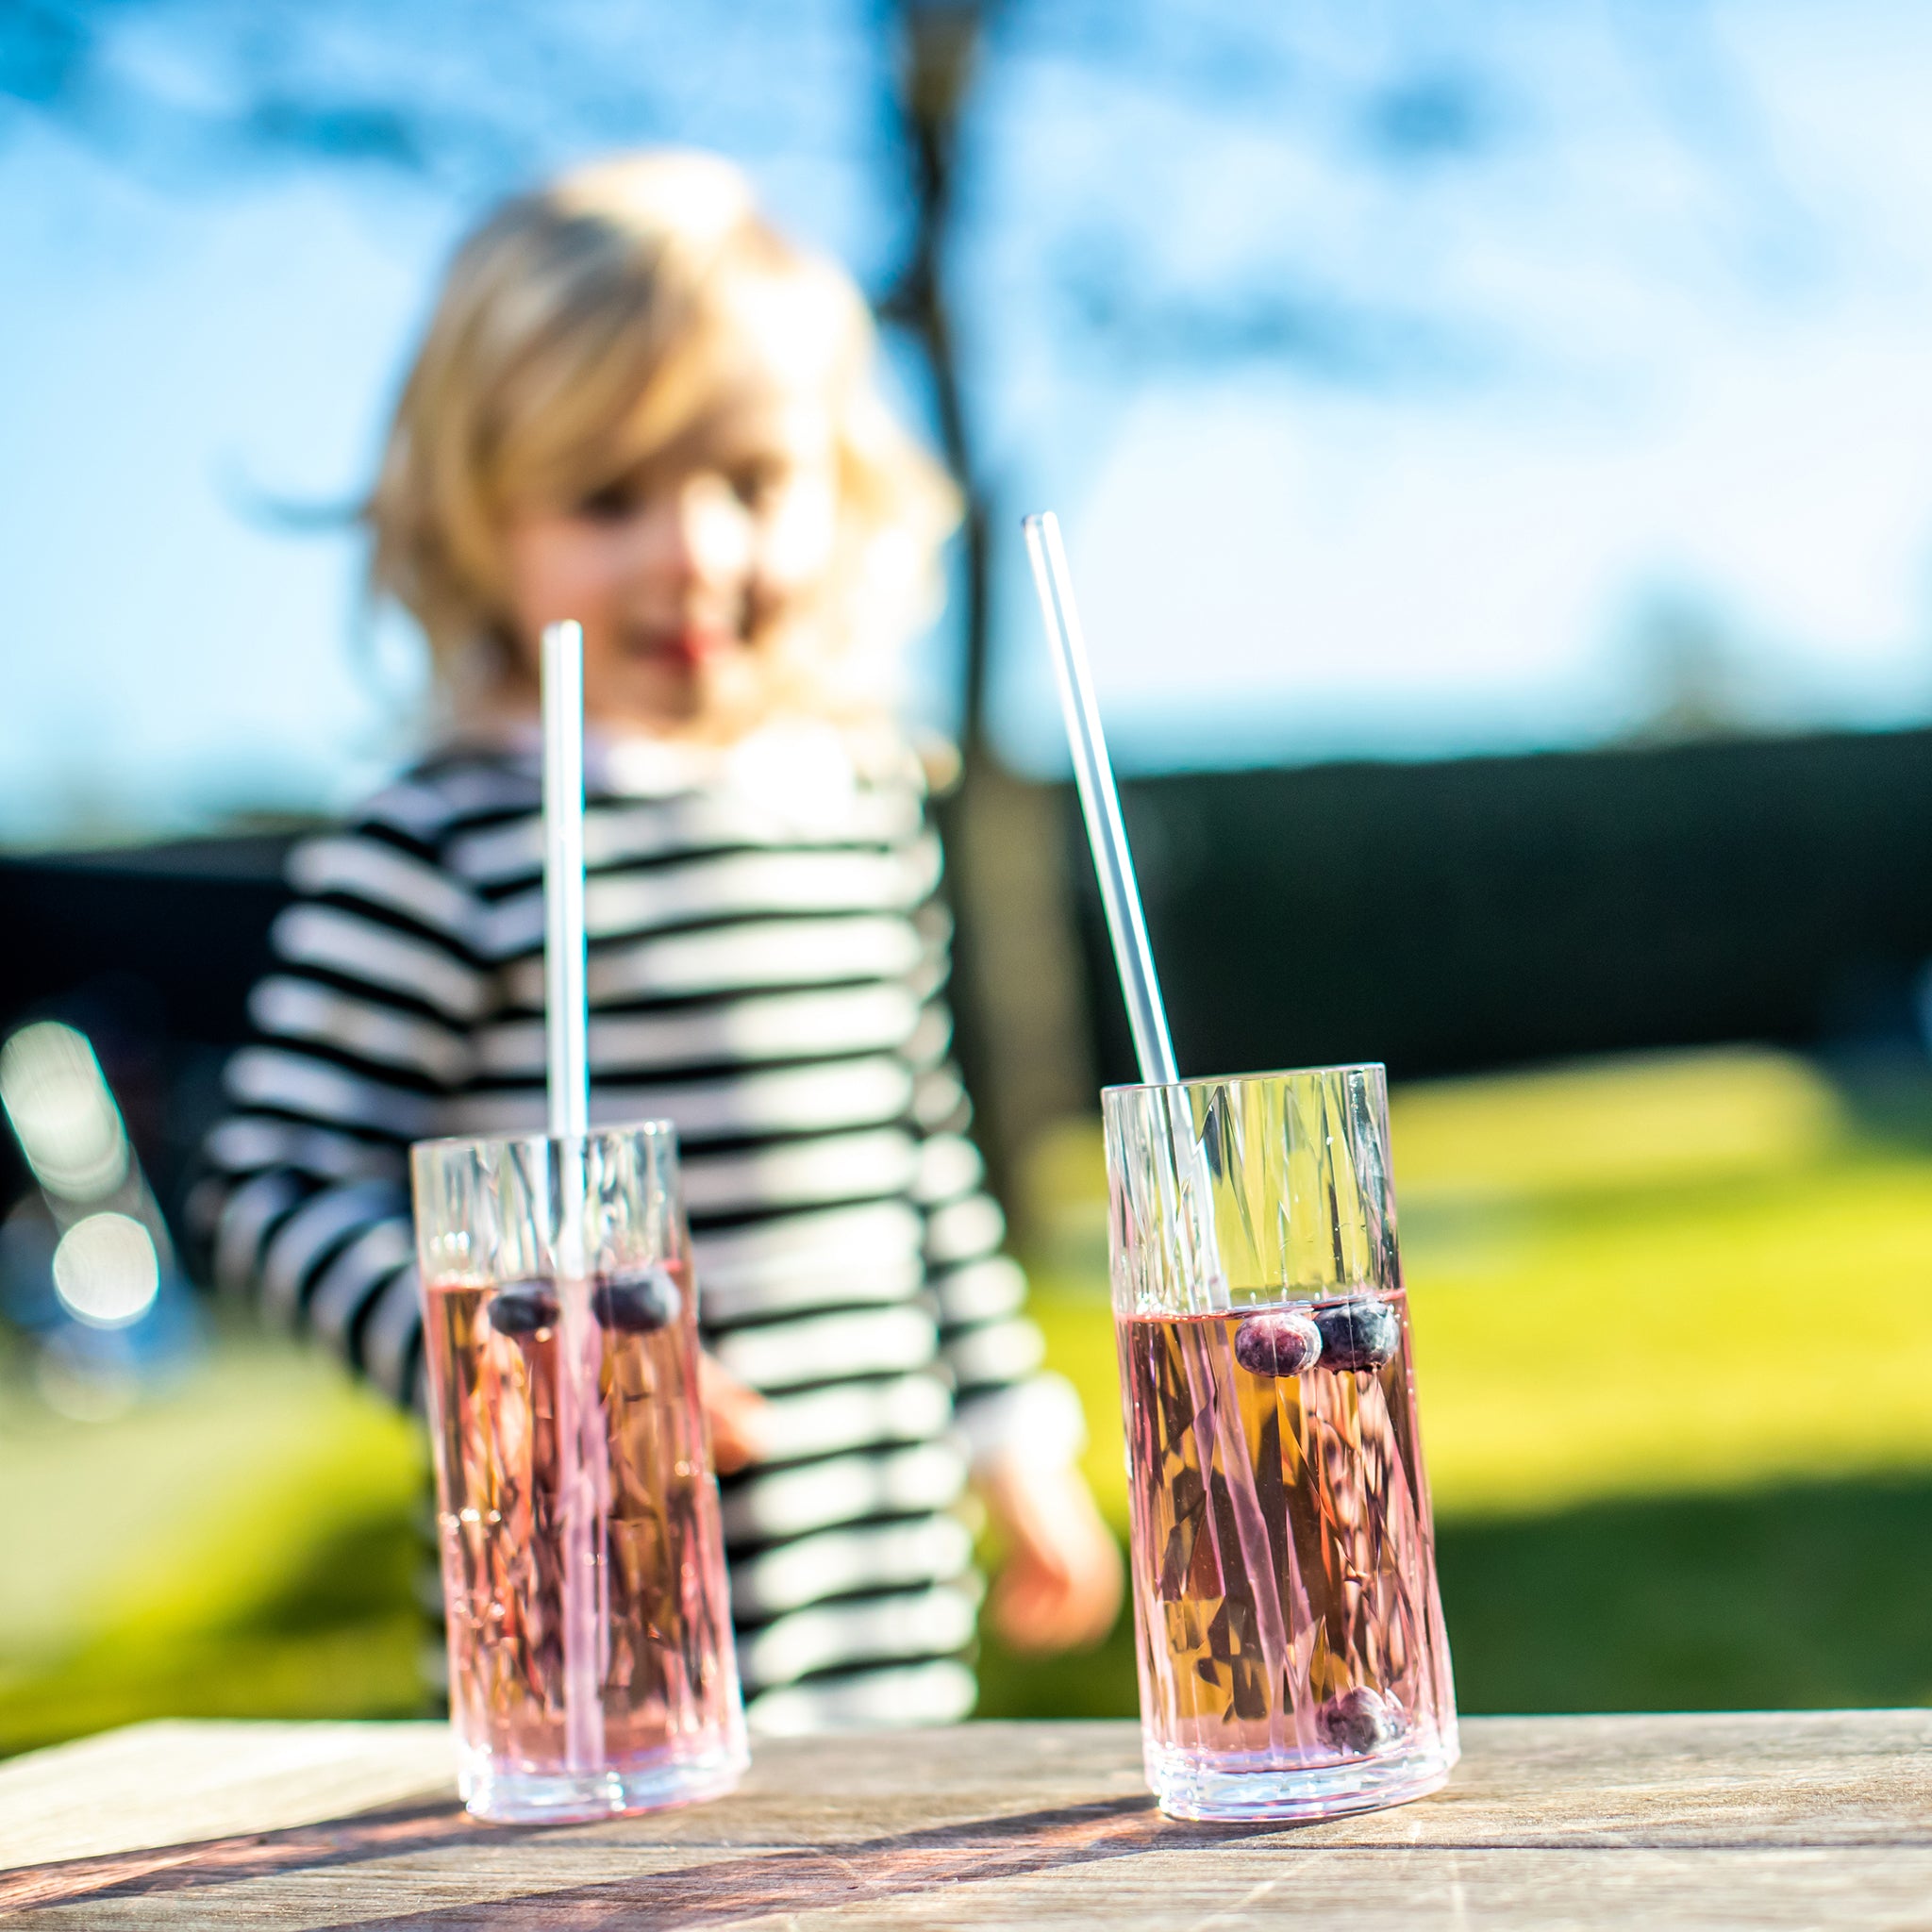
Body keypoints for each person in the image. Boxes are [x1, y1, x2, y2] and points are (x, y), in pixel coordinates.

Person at [189, 150, 1121, 1735]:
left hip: (879, 1601)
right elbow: (267, 1181)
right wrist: (507, 1363)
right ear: (478, 515)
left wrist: (1009, 1432)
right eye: (609, 496)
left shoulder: (856, 803)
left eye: (750, 482)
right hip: (592, 1643)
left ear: (838, 490)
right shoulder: (441, 840)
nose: (691, 549)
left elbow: (914, 1150)